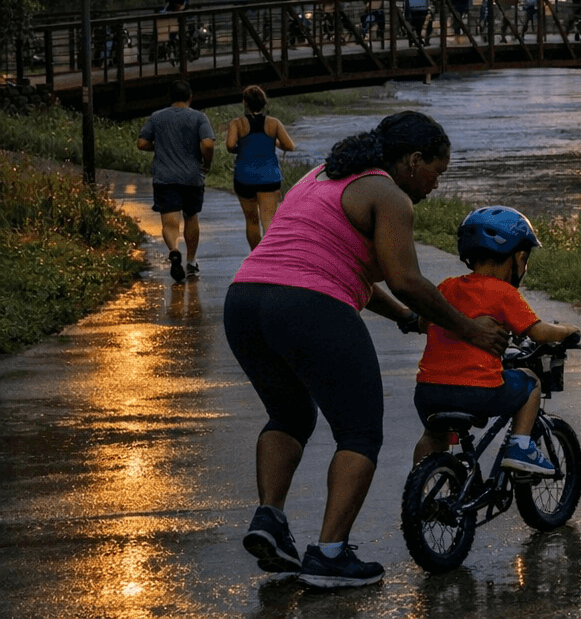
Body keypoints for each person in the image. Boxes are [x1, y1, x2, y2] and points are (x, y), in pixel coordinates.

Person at [222, 111, 509, 589]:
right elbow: (407, 280)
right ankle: (330, 555)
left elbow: (347, 272)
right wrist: (469, 330)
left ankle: (269, 519)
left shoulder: (319, 178)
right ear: (415, 160)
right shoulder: (389, 195)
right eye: (437, 173)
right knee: (359, 431)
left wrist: (406, 319)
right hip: (307, 305)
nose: (436, 185)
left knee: (289, 415)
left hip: (245, 300)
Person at [409, 206, 580, 471]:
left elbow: (423, 322)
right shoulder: (503, 293)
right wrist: (568, 329)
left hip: (429, 390)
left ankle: (421, 486)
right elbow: (538, 332)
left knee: (433, 437)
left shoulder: (446, 286)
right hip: (477, 392)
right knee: (531, 382)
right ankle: (521, 446)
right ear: (518, 256)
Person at [136, 79, 216, 283]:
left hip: (165, 178)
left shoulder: (157, 117)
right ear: (191, 97)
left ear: (169, 98)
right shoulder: (199, 117)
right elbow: (208, 144)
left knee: (169, 223)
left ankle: (174, 250)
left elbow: (142, 142)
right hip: (191, 177)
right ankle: (191, 261)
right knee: (191, 217)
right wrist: (206, 163)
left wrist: (160, 147)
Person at [225, 85, 297, 250]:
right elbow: (290, 146)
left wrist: (240, 148)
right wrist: (273, 142)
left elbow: (230, 145)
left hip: (244, 177)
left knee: (251, 221)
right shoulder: (274, 123)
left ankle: (256, 257)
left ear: (245, 103)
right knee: (269, 220)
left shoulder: (237, 123)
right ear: (264, 103)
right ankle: (270, 258)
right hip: (269, 177)